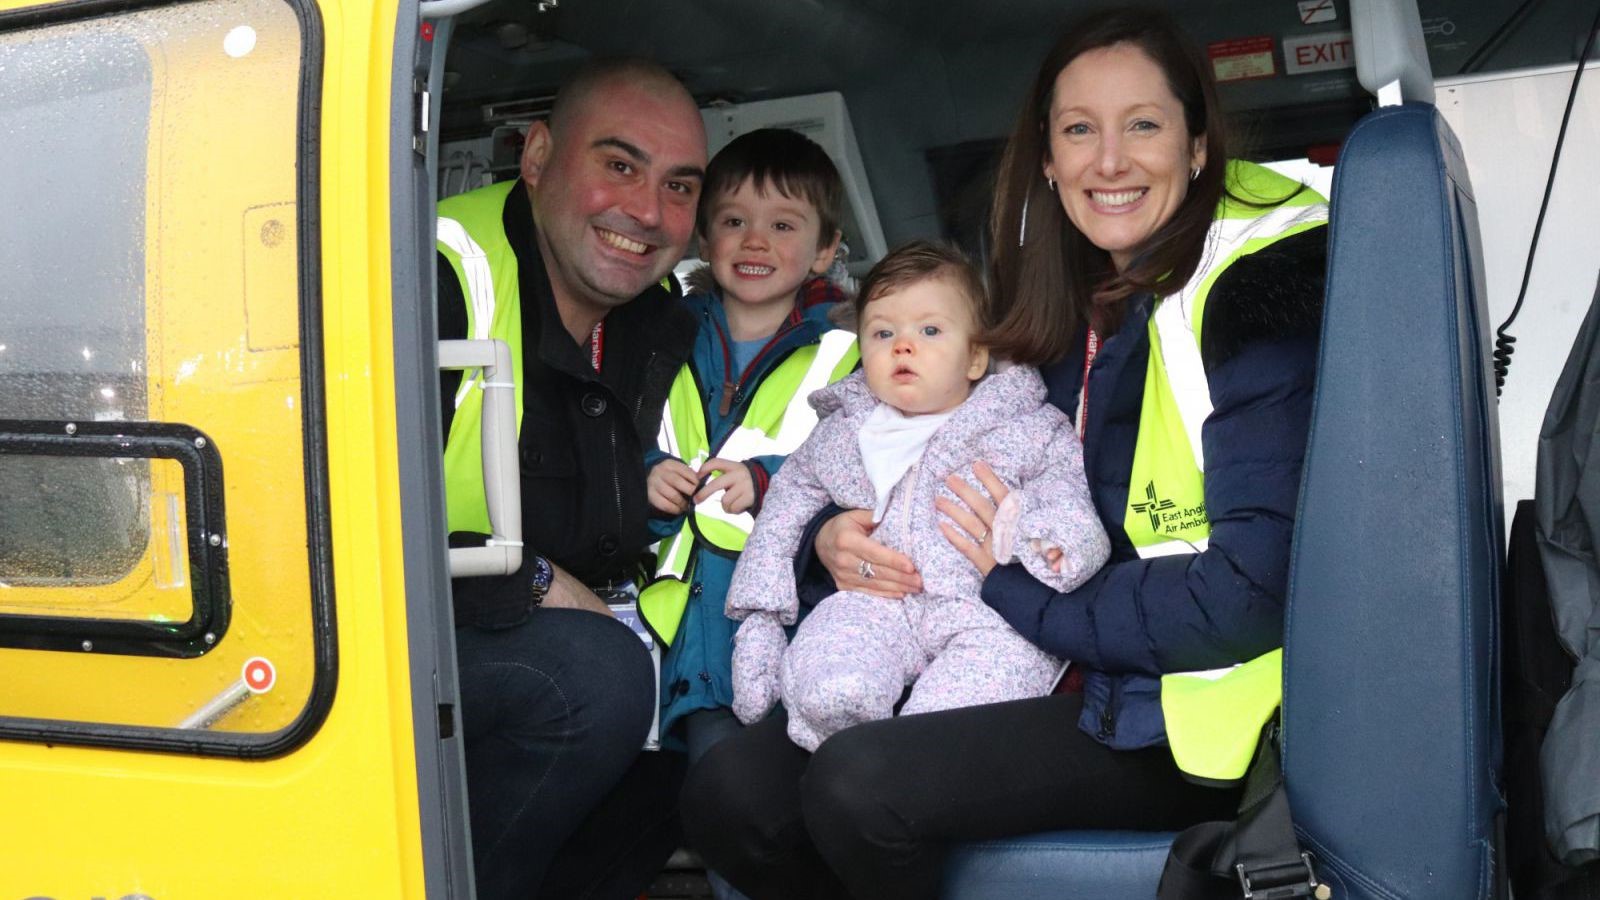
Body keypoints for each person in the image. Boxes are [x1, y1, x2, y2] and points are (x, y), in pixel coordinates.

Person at [679, 8, 1330, 899]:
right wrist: (826, 532)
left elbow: (1253, 591)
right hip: (1014, 645)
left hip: (1167, 707)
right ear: (1050, 159)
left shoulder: (1255, 286)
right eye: (1078, 130)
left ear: (1198, 144)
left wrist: (1018, 595)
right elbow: (906, 435)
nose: (1109, 160)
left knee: (859, 785)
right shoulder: (1054, 291)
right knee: (730, 794)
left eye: (1142, 124)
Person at [434, 58, 707, 900]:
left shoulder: (672, 319)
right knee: (594, 679)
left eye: (680, 186)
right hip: (411, 643)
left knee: (709, 730)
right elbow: (330, 527)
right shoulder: (436, 276)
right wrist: (536, 581)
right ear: (540, 156)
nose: (648, 213)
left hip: (600, 641)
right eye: (619, 166)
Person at [725, 241, 1110, 752]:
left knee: (970, 700)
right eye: (883, 333)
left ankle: (920, 757)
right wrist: (761, 619)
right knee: (834, 664)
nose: (903, 346)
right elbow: (781, 517)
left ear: (975, 356)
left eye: (929, 331)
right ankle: (843, 721)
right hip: (878, 604)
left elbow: (1067, 490)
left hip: (985, 610)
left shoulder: (1021, 424)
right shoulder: (845, 432)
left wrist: (1057, 544)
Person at [642, 127, 855, 764]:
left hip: (787, 623)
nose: (755, 241)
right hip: (664, 617)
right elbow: (619, 437)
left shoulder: (850, 352)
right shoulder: (659, 335)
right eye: (734, 220)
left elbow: (863, 473)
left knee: (740, 785)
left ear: (825, 251)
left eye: (784, 226)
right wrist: (647, 475)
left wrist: (765, 481)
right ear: (705, 239)